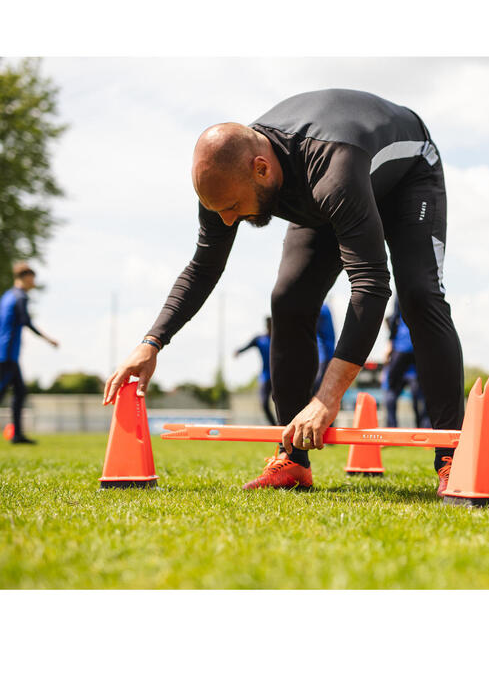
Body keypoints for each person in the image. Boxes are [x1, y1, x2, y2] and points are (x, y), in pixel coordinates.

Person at [104, 89, 464, 496]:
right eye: (218, 209)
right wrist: (152, 342)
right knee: (288, 300)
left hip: (405, 176)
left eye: (233, 207)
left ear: (261, 169)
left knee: (419, 295)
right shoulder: (224, 180)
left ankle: (453, 454)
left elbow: (370, 286)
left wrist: (327, 399)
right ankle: (292, 460)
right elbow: (204, 267)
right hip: (322, 194)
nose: (226, 219)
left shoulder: (333, 172)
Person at [0, 262, 59, 444]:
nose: (34, 282)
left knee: (20, 391)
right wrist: (47, 339)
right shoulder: (20, 297)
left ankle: (17, 435)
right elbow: (26, 321)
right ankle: (17, 434)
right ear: (25, 277)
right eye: (32, 278)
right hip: (7, 353)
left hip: (7, 353)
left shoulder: (7, 295)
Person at [383, 300, 430, 428]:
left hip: (403, 346)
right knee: (421, 393)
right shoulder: (429, 284)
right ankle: (424, 428)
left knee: (391, 388)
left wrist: (390, 342)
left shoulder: (402, 286)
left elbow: (394, 318)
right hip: (420, 346)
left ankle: (391, 428)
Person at [233, 316, 276, 425]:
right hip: (265, 376)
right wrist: (239, 351)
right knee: (263, 403)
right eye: (268, 324)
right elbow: (247, 346)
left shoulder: (279, 339)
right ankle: (275, 426)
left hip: (278, 377)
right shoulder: (259, 339)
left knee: (282, 404)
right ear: (266, 325)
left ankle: (284, 427)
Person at [313, 302, 335, 393]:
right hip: (324, 356)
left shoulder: (321, 309)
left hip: (324, 356)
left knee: (318, 389)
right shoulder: (324, 308)